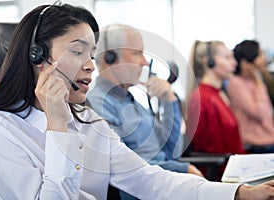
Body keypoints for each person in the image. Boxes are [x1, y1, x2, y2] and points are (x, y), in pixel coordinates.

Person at [0, 3, 273, 200]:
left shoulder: (89, 122)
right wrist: (57, 125)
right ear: (36, 56)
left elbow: (150, 179)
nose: (91, 65)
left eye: (92, 54)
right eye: (78, 52)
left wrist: (239, 192)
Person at [87, 23, 203, 199]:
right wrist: (183, 169)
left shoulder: (133, 102)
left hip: (163, 184)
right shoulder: (97, 105)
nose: (145, 62)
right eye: (136, 53)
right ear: (110, 58)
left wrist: (168, 101)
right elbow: (125, 168)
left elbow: (172, 150)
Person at [185, 40, 247, 179]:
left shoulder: (218, 94)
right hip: (225, 176)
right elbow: (211, 151)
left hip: (237, 168)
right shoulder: (204, 99)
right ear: (209, 62)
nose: (234, 63)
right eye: (227, 57)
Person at [225, 40, 274, 153]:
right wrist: (258, 82)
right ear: (247, 63)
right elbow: (260, 113)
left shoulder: (256, 80)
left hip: (268, 140)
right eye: (260, 55)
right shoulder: (235, 83)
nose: (264, 59)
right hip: (257, 145)